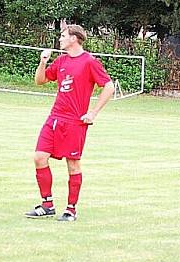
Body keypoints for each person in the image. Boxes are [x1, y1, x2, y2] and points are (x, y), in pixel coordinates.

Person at [25, 24, 115, 222]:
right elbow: (40, 81)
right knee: (39, 157)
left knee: (73, 164)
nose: (60, 39)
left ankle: (71, 210)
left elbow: (108, 87)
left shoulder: (89, 62)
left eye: (63, 35)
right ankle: (47, 205)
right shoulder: (61, 60)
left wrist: (93, 113)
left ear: (74, 38)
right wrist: (42, 62)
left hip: (75, 122)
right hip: (55, 118)